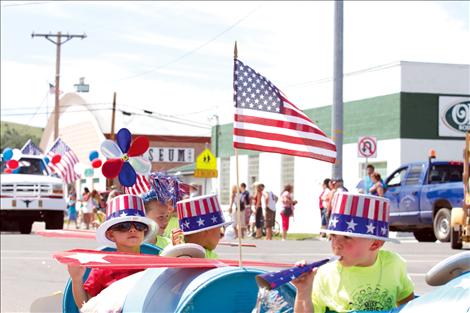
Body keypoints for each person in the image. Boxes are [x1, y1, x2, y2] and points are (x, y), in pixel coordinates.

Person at [292, 192, 415, 312]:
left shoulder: (394, 264)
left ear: (375, 244)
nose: (336, 245)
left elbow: (409, 305)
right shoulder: (326, 275)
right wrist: (303, 291)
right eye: (333, 235)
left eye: (347, 237)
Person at [66, 194, 157, 310]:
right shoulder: (103, 269)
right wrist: (76, 279)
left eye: (139, 225)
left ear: (145, 230)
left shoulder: (153, 267)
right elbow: (87, 306)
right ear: (110, 234)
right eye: (124, 226)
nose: (133, 229)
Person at [174, 194, 231, 258]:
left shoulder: (171, 253)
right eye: (220, 228)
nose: (221, 234)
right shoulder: (212, 258)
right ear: (208, 230)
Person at [142, 172, 185, 249]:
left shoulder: (169, 244)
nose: (166, 222)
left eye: (167, 216)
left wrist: (176, 250)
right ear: (144, 216)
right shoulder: (133, 245)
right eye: (160, 217)